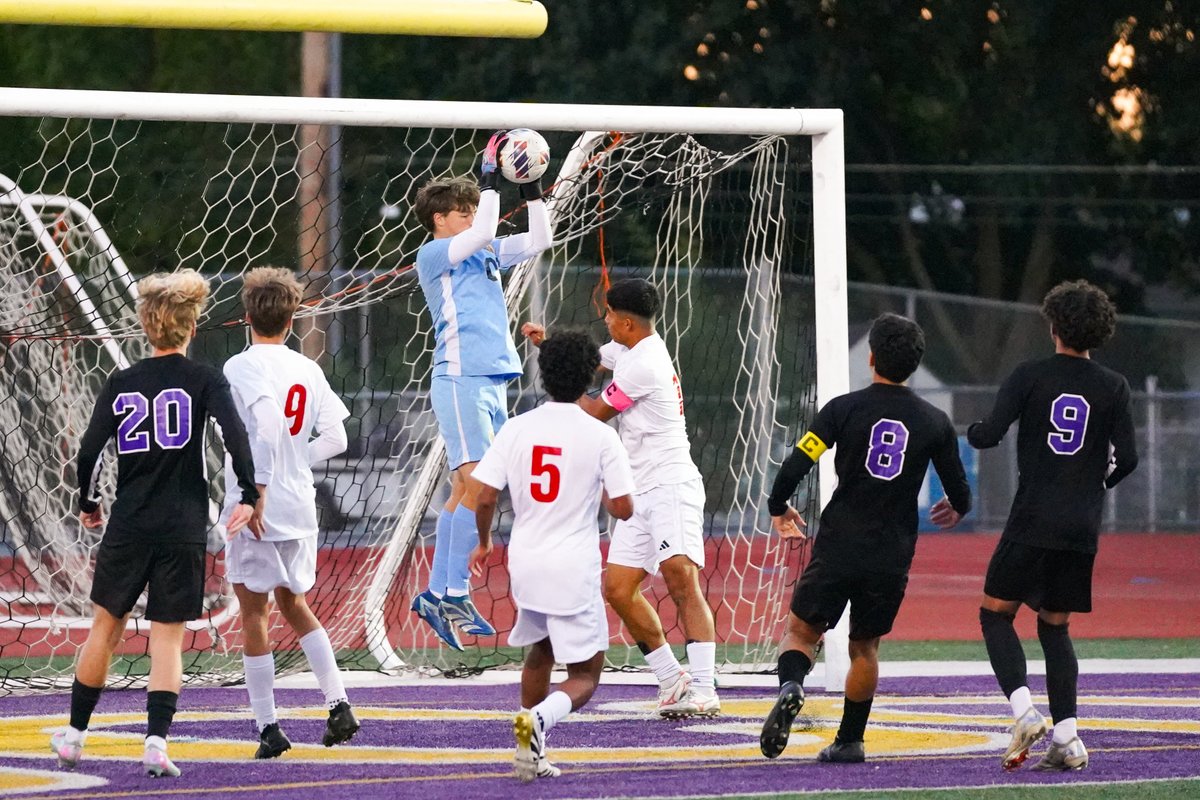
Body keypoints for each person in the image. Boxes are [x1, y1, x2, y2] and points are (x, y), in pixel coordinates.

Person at [51, 269, 259, 778]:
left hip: (130, 522)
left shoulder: (122, 382)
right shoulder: (205, 378)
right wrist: (249, 494)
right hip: (183, 523)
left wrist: (88, 500)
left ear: (146, 326)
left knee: (106, 627)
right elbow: (235, 436)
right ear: (191, 327)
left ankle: (76, 736)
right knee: (167, 637)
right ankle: (156, 743)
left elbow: (88, 451)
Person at [759, 312, 971, 763]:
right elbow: (959, 492)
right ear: (913, 365)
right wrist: (957, 507)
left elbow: (800, 460)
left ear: (871, 357)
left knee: (800, 632)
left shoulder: (842, 409)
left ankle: (793, 685)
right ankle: (851, 740)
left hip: (839, 543)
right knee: (865, 648)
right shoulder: (933, 422)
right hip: (891, 552)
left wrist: (779, 506)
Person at [523, 278, 718, 718]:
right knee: (618, 589)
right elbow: (593, 359)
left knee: (679, 578)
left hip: (670, 483)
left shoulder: (643, 364)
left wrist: (558, 381)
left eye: (609, 314)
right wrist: (548, 342)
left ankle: (705, 687)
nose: (605, 320)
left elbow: (594, 410)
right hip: (639, 489)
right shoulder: (632, 349)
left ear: (627, 322)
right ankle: (672, 679)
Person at [969, 280, 1137, 772]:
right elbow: (1127, 458)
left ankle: (1023, 713)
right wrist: (1093, 487)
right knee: (1055, 628)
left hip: (1033, 517)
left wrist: (973, 430)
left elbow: (989, 434)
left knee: (995, 615)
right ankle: (1067, 739)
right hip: (1081, 526)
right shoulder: (1114, 386)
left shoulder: (1030, 375)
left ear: (1053, 325)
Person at [468, 330, 635, 782]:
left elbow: (483, 496)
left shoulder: (518, 426)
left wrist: (484, 541)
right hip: (572, 563)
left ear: (541, 373)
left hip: (524, 559)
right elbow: (623, 507)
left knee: (540, 651)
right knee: (585, 674)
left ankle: (529, 753)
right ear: (591, 375)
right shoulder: (600, 435)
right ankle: (538, 720)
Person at [409, 130, 553, 649]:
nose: (473, 217)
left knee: (466, 492)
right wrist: (491, 180)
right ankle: (449, 589)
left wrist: (530, 189)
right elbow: (484, 228)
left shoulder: (485, 250)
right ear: (440, 221)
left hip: (491, 379)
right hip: (459, 377)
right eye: (463, 211)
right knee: (478, 486)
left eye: (475, 208)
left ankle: (439, 591)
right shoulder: (436, 254)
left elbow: (540, 240)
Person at [222, 266, 359, 759]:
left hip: (257, 507)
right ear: (293, 317)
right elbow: (338, 438)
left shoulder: (240, 366)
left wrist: (255, 490)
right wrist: (295, 460)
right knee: (295, 604)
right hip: (300, 504)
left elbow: (266, 424)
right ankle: (339, 703)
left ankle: (268, 727)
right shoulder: (308, 367)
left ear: (246, 316)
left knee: (254, 614)